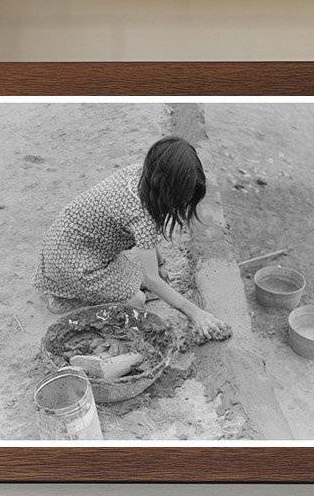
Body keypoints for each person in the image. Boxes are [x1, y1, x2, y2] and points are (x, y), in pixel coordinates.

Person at [34, 136, 231, 343]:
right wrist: (195, 313)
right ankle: (70, 298)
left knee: (141, 279)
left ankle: (70, 289)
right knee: (137, 300)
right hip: (74, 262)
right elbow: (152, 279)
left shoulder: (141, 175)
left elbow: (147, 241)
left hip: (65, 242)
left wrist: (161, 263)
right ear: (168, 190)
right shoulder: (141, 215)